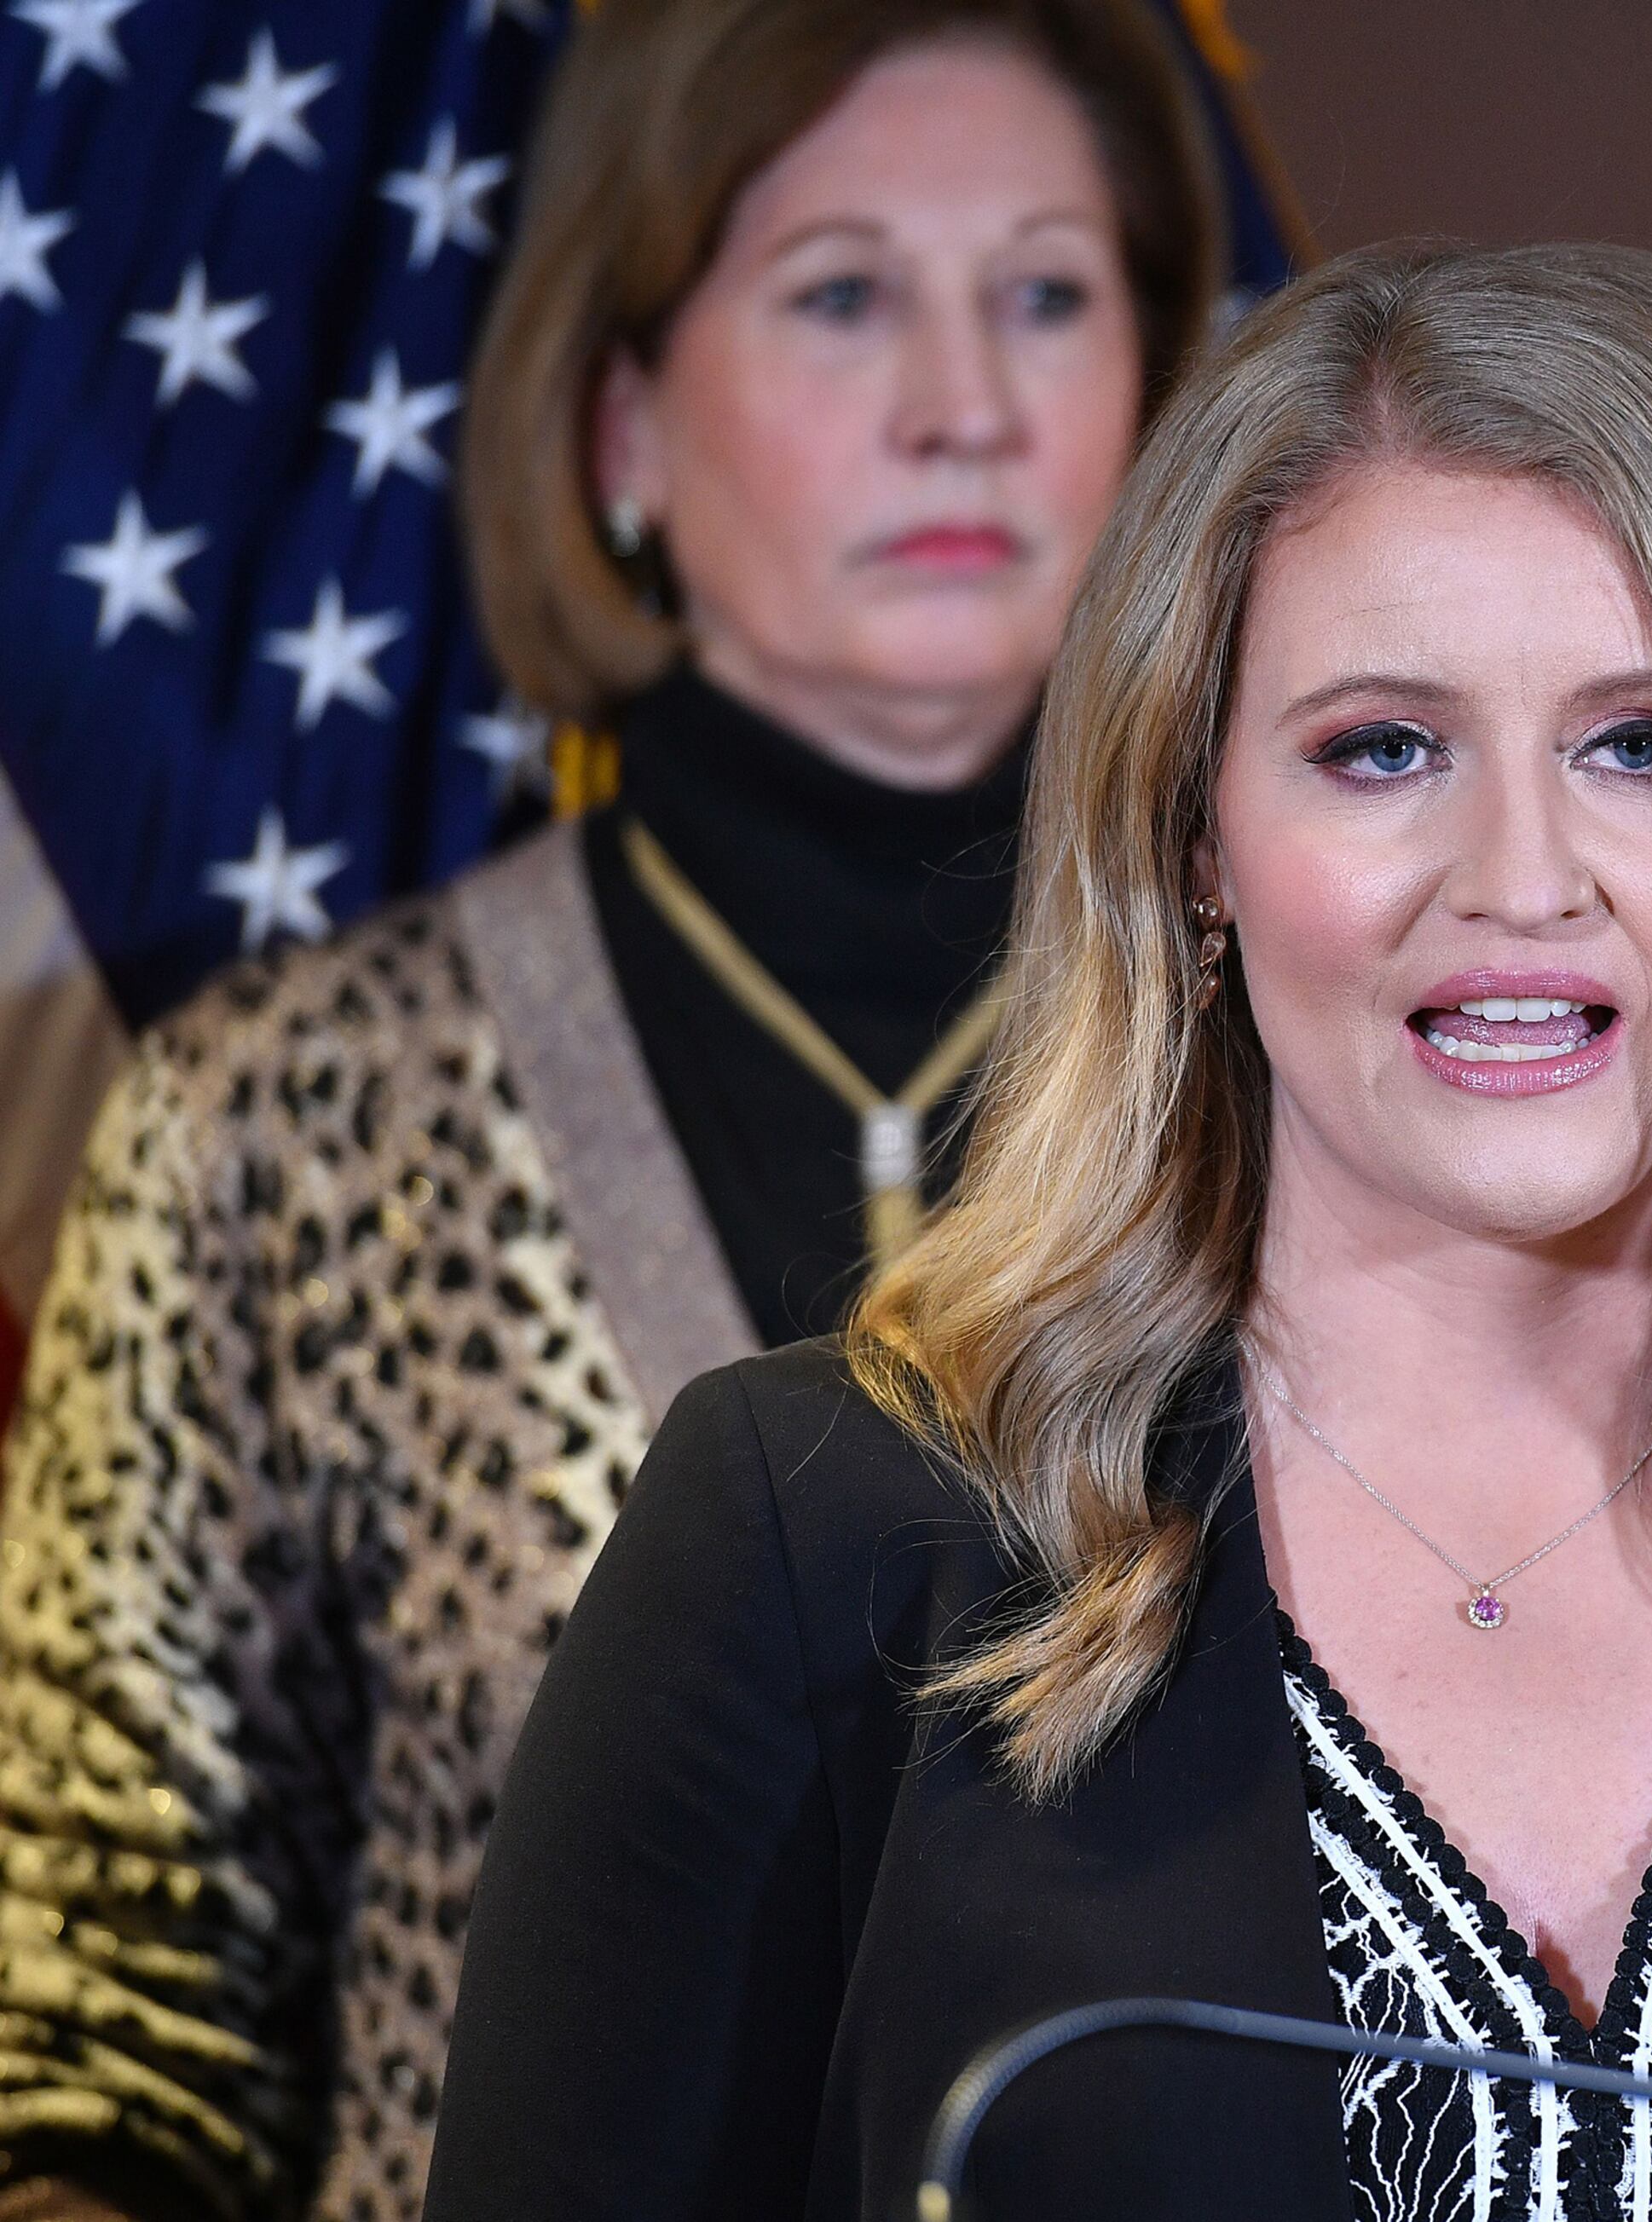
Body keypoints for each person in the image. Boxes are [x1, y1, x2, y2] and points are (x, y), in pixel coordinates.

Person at [417, 240, 1652, 2222]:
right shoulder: (821, 1541)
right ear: (1192, 834)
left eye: (1646, 745)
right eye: (1384, 748)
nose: (1523, 879)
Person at [0, 3, 1220, 2215]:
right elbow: (90, 2042)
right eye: (842, 294)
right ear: (623, 422)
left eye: (1047, 294)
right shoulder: (279, 1121)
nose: (965, 405)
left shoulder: (1324, 1083)